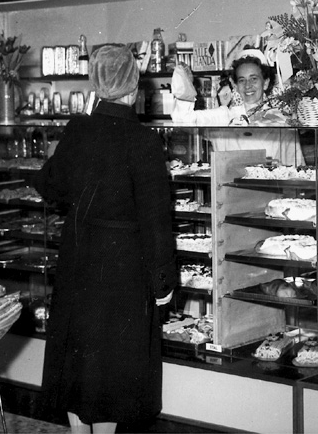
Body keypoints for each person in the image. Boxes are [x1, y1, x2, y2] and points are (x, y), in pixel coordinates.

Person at [34, 44, 177, 434]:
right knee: (111, 367)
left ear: (95, 84)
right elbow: (156, 221)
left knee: (77, 359)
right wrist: (162, 282)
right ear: (134, 86)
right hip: (123, 267)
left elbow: (50, 185)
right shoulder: (144, 140)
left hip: (78, 258)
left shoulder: (77, 130)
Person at [171, 49, 303, 164]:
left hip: (268, 184)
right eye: (242, 80)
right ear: (235, 86)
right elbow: (183, 119)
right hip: (227, 185)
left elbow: (295, 166)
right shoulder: (225, 116)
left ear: (266, 83)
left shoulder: (282, 121)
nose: (247, 85)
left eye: (254, 79)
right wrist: (184, 88)